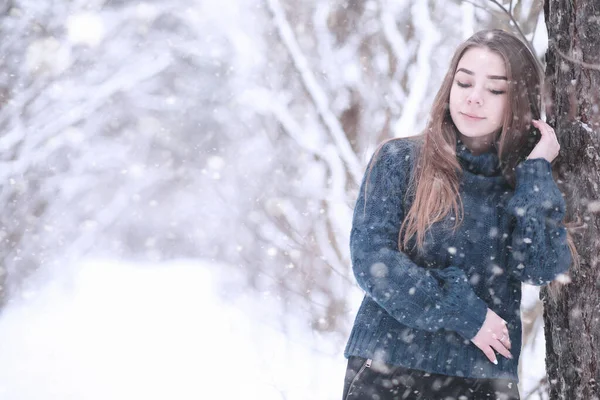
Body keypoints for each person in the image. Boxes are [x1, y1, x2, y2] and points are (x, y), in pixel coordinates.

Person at [341, 29, 576, 400]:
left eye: (496, 90)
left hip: (484, 382)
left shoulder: (522, 182)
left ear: (520, 103)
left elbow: (542, 265)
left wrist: (535, 173)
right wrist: (465, 313)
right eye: (464, 82)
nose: (474, 98)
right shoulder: (399, 161)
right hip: (390, 372)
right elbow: (373, 261)